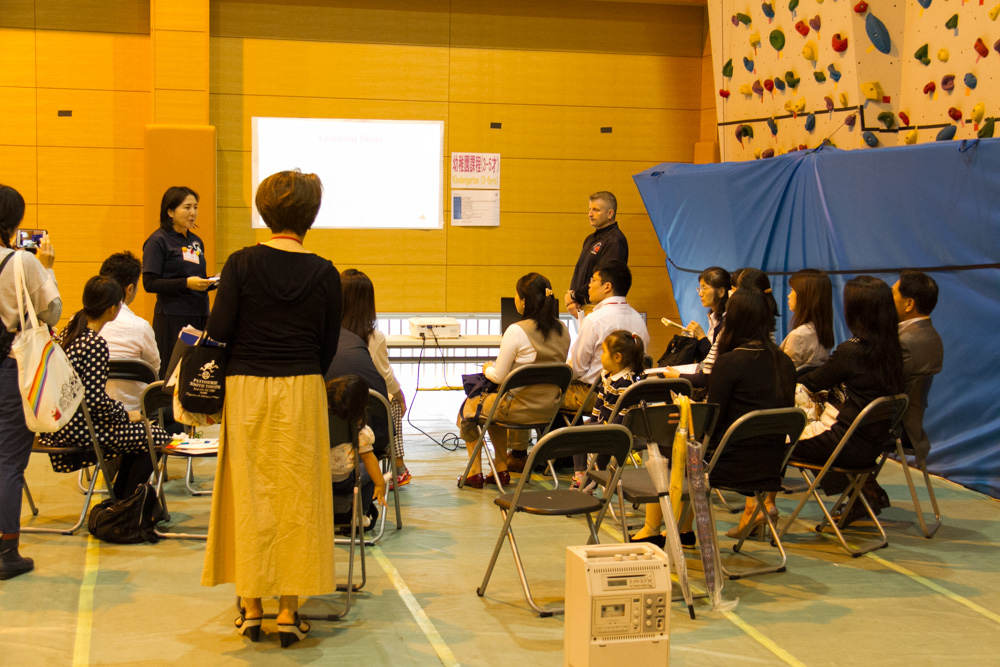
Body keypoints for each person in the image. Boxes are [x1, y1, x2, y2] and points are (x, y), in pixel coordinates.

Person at [201, 170, 342, 648]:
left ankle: (251, 608)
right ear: (311, 215)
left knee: (250, 492)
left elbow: (219, 329)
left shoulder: (240, 264)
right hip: (302, 387)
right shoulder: (325, 271)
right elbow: (326, 347)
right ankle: (288, 612)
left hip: (246, 386)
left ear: (265, 212)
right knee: (298, 496)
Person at [632, 288, 796, 544]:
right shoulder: (784, 362)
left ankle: (655, 529)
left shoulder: (730, 363)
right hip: (771, 463)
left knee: (666, 445)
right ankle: (682, 530)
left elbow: (713, 420)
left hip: (728, 464)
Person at [39, 277, 168, 499]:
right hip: (80, 431)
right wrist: (127, 415)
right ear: (112, 309)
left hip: (62, 425)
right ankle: (122, 505)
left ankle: (120, 500)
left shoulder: (73, 333)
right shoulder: (94, 344)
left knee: (144, 435)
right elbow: (95, 402)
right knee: (156, 436)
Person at [791, 276, 904, 509]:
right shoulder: (892, 349)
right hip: (870, 445)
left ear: (856, 310)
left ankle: (760, 509)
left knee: (771, 439)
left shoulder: (852, 350)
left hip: (842, 444)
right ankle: (863, 493)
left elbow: (814, 381)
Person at [458, 273, 571, 488]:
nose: (515, 300)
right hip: (548, 412)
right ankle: (500, 469)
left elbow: (499, 376)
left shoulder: (516, 330)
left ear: (524, 301)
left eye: (517, 296)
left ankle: (474, 472)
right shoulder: (563, 330)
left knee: (468, 407)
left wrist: (487, 367)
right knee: (492, 404)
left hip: (516, 408)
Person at [0, 184, 61, 580]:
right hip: (9, 367)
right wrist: (49, 266)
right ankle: (6, 552)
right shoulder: (23, 262)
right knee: (7, 462)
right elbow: (52, 313)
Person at [339, 269, 410, 486]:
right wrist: (401, 397)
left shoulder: (326, 335)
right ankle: (398, 466)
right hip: (367, 428)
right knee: (392, 402)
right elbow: (386, 378)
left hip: (332, 425)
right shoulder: (374, 338)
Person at [142, 186, 214, 379]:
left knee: (194, 373)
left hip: (199, 314)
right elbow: (150, 283)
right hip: (172, 317)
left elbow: (194, 275)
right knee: (172, 373)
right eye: (187, 207)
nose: (193, 213)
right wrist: (186, 284)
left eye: (196, 207)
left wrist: (210, 282)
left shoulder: (196, 241)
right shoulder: (158, 241)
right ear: (170, 212)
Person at [562, 260, 649, 414]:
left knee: (545, 395)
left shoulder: (595, 320)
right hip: (630, 396)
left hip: (596, 395)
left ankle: (565, 437)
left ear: (607, 287)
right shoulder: (638, 320)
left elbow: (576, 369)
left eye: (593, 280)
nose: (589, 285)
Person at [570, 330, 646, 490]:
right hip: (607, 424)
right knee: (584, 430)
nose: (601, 356)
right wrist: (596, 421)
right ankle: (594, 476)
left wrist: (604, 428)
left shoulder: (627, 383)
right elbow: (600, 403)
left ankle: (581, 475)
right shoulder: (609, 376)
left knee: (577, 435)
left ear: (617, 357)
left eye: (604, 352)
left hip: (619, 429)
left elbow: (625, 414)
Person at [99, 251, 161, 411]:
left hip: (89, 421)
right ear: (130, 289)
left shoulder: (78, 323)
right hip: (134, 416)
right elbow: (154, 373)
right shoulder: (140, 327)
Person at [327, 375, 387, 534]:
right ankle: (361, 513)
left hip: (317, 481)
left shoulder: (315, 424)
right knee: (370, 472)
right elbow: (369, 459)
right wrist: (380, 483)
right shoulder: (359, 430)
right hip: (345, 481)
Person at [564, 191, 628, 318]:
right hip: (584, 307)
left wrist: (574, 295)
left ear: (610, 213)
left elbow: (604, 279)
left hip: (601, 308)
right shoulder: (590, 239)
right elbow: (578, 269)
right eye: (590, 209)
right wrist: (573, 297)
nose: (590, 214)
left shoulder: (615, 240)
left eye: (596, 210)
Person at [781, 268, 834, 370]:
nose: (788, 296)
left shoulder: (799, 336)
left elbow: (785, 375)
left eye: (792, 290)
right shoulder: (823, 332)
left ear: (804, 296)